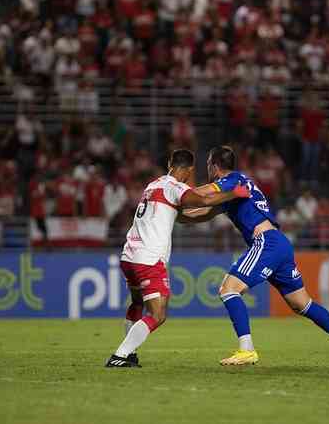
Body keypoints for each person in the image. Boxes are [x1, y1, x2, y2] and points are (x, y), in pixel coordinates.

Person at [181, 146, 329, 366]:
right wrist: (174, 214)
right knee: (301, 303)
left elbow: (203, 194)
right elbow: (203, 212)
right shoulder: (232, 192)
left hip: (266, 242)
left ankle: (246, 350)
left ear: (214, 165)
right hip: (279, 243)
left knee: (229, 289)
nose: (206, 167)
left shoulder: (234, 179)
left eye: (208, 163)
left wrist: (176, 193)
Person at [105, 149, 250, 368]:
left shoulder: (153, 185)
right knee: (158, 314)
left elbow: (181, 213)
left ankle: (130, 353)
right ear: (190, 169)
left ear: (169, 163)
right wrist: (234, 194)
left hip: (129, 255)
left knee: (137, 302)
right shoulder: (175, 187)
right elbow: (201, 199)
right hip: (149, 258)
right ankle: (120, 355)